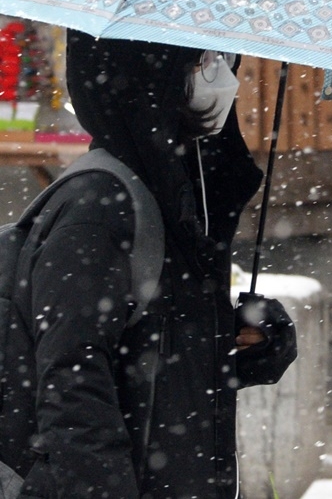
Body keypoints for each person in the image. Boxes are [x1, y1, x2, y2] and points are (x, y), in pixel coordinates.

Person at [8, 30, 297, 499]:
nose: (222, 76)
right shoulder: (99, 207)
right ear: (148, 74)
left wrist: (254, 338)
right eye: (201, 59)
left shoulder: (184, 193)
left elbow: (158, 360)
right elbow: (71, 383)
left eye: (224, 56)